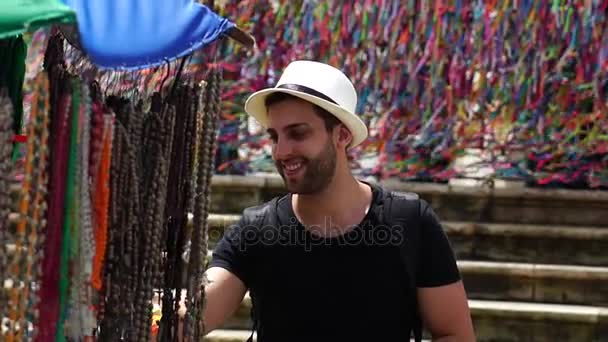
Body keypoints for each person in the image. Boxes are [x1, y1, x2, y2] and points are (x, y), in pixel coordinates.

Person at [202, 60, 476, 341]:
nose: (281, 151)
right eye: (274, 136)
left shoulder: (409, 221)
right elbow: (196, 314)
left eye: (298, 133)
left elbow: (454, 334)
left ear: (342, 135)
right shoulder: (256, 230)